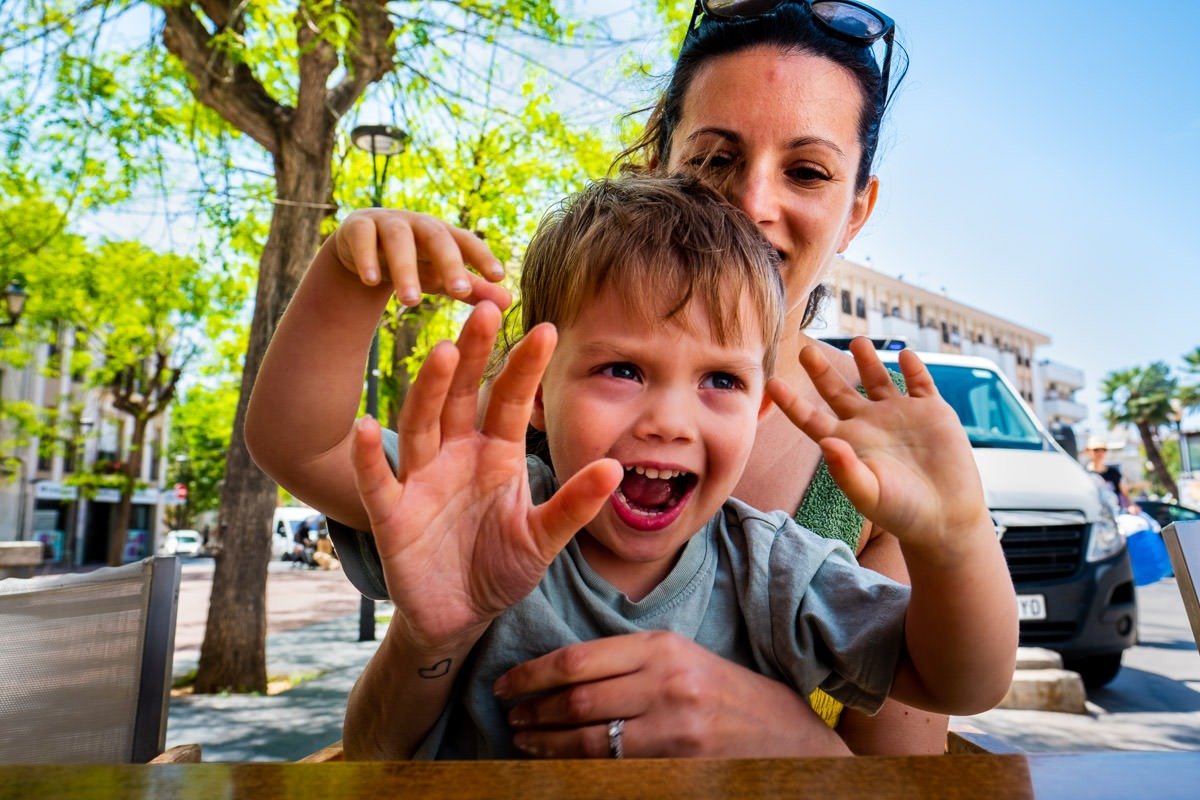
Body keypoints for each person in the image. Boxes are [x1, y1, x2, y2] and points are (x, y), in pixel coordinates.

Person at [247, 0, 967, 757]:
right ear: (661, 160)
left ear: (857, 208)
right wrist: (347, 271)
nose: (754, 204)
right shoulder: (526, 413)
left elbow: (918, 742)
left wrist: (783, 736)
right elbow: (304, 446)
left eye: (808, 171)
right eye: (716, 158)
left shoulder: (878, 475)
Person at [335, 174, 1016, 759]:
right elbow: (300, 444)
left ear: (758, 410)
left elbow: (958, 682)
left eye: (720, 380)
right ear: (540, 392)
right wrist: (345, 274)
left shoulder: (774, 571)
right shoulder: (488, 515)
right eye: (623, 369)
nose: (669, 420)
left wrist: (955, 536)